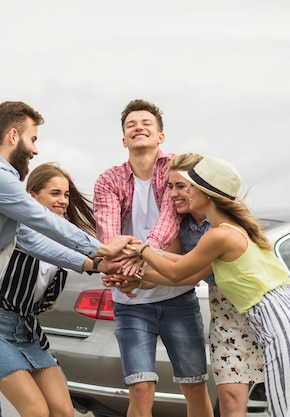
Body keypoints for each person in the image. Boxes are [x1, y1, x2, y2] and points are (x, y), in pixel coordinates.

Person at [0, 101, 132, 417]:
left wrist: (95, 262)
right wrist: (101, 248)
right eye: (33, 139)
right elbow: (42, 220)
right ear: (12, 135)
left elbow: (34, 241)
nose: (35, 150)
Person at [129, 156, 290, 417]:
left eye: (190, 187)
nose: (182, 193)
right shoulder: (231, 230)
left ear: (207, 194)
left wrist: (140, 248)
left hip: (283, 323)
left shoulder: (219, 234)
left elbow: (178, 273)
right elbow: (188, 270)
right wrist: (140, 277)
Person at [106, 153, 264, 417]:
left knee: (284, 399)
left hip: (254, 310)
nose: (173, 194)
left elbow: (184, 274)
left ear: (201, 188)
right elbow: (170, 267)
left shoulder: (221, 230)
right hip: (225, 314)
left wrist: (141, 252)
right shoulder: (184, 224)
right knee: (229, 398)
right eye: (170, 186)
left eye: (181, 186)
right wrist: (135, 274)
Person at [93, 99, 213, 417]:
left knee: (195, 387)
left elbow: (169, 222)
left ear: (160, 136)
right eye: (131, 124)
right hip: (131, 302)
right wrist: (121, 269)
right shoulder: (108, 180)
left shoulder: (174, 169)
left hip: (178, 297)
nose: (138, 127)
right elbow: (108, 236)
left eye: (147, 123)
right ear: (123, 140)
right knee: (141, 389)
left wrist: (139, 262)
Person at [0, 162, 116, 417]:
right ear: (31, 197)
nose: (63, 201)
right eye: (55, 193)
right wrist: (97, 264)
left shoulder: (65, 237)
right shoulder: (15, 230)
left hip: (29, 329)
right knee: (36, 411)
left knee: (63, 411)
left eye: (66, 194)